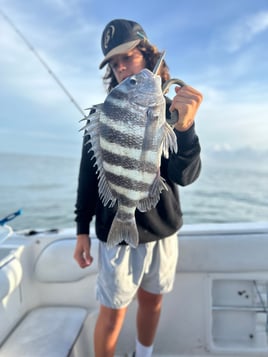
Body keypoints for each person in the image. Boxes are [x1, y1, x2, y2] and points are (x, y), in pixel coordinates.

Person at [73, 18, 203, 357]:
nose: (120, 68)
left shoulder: (171, 112)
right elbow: (88, 178)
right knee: (112, 312)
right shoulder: (101, 116)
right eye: (114, 64)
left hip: (162, 229)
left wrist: (185, 129)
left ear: (146, 55)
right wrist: (81, 230)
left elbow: (185, 176)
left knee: (152, 302)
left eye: (127, 58)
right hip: (114, 229)